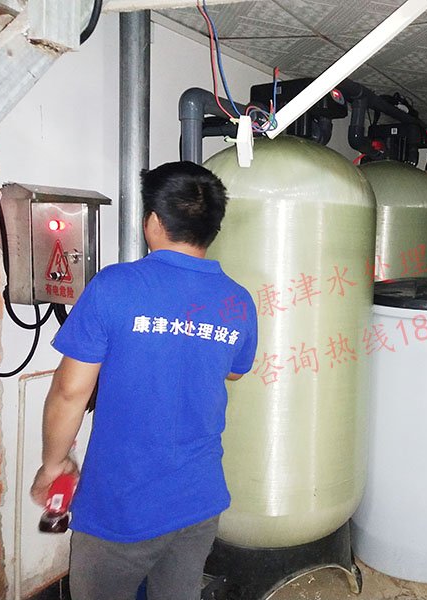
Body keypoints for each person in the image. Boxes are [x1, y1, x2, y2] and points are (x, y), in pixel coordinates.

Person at [31, 161, 258, 599]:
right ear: (213, 228)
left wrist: (53, 465)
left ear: (152, 221)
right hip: (199, 500)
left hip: (122, 505)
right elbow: (234, 368)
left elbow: (70, 391)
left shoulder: (115, 286)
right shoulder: (238, 300)